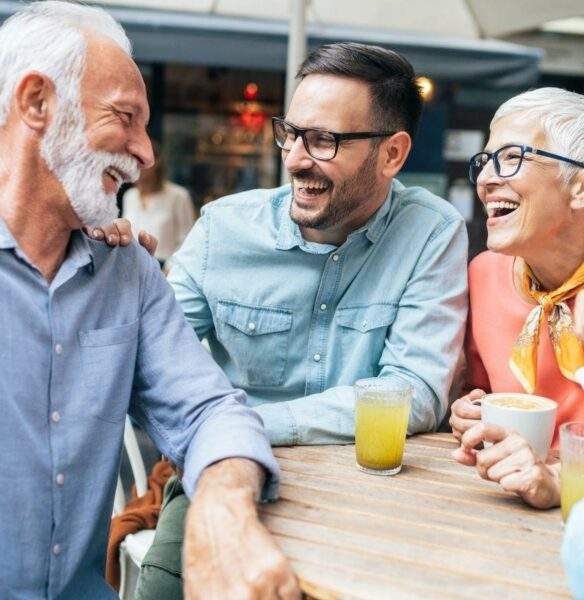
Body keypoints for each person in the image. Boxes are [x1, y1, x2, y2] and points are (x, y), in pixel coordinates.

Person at [0, 2, 300, 599]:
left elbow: (207, 410)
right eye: (125, 117)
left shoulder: (127, 270)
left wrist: (221, 507)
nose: (147, 154)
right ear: (36, 103)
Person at [134, 42, 469, 598]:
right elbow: (154, 360)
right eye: (290, 132)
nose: (293, 158)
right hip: (227, 478)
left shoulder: (432, 233)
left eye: (323, 140)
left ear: (392, 154)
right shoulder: (223, 228)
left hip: (377, 495)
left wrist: (245, 426)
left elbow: (415, 391)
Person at [450, 87, 584, 509]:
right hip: (499, 518)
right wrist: (470, 411)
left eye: (511, 158)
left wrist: (561, 479)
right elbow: (480, 389)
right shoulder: (483, 274)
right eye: (485, 162)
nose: (486, 180)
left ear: (579, 186)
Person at [122, 140, 195, 269]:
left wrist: (169, 269)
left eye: (140, 161)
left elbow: (187, 241)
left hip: (165, 269)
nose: (136, 166)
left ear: (156, 162)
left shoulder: (178, 196)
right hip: (132, 268)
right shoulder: (130, 196)